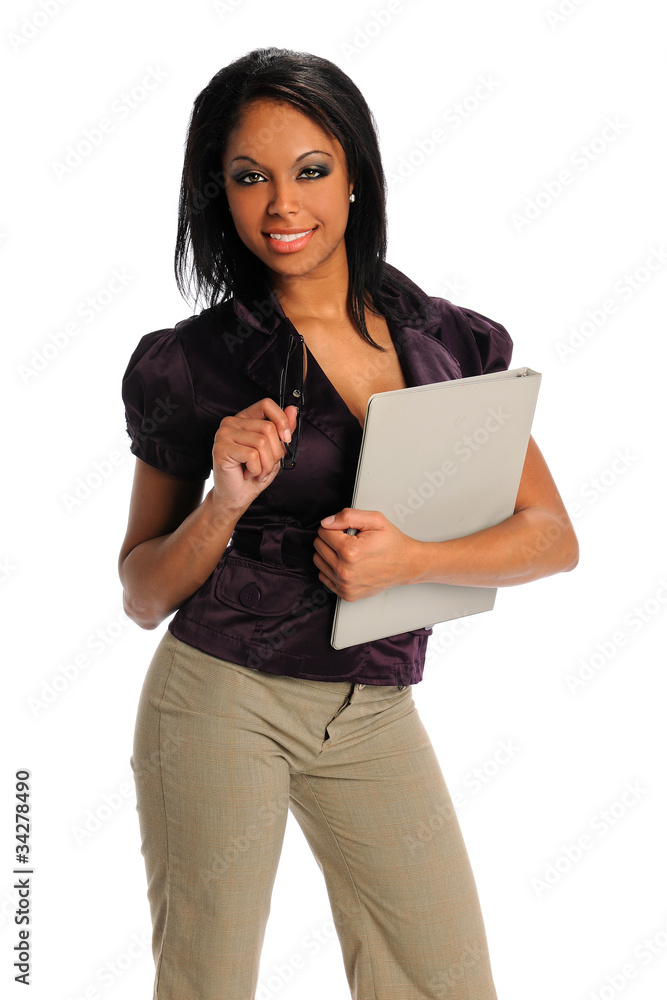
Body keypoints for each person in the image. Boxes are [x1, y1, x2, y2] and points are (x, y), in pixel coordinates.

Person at [118, 46, 579, 1000]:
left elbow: (550, 534)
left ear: (357, 176)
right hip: (221, 699)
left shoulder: (450, 341)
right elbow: (141, 590)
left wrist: (412, 560)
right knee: (207, 983)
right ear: (220, 196)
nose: (282, 205)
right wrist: (225, 500)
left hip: (371, 712)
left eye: (310, 170)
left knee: (443, 981)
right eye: (250, 178)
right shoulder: (193, 366)